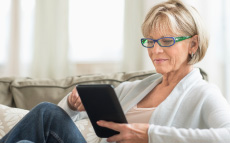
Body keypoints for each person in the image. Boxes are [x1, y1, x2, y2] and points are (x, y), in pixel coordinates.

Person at [1, 0, 230, 142]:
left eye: (167, 40)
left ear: (193, 43)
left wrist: (150, 135)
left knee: (44, 114)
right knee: (45, 115)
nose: (156, 50)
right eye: (150, 41)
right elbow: (69, 121)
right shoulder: (132, 89)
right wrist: (72, 105)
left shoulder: (203, 94)